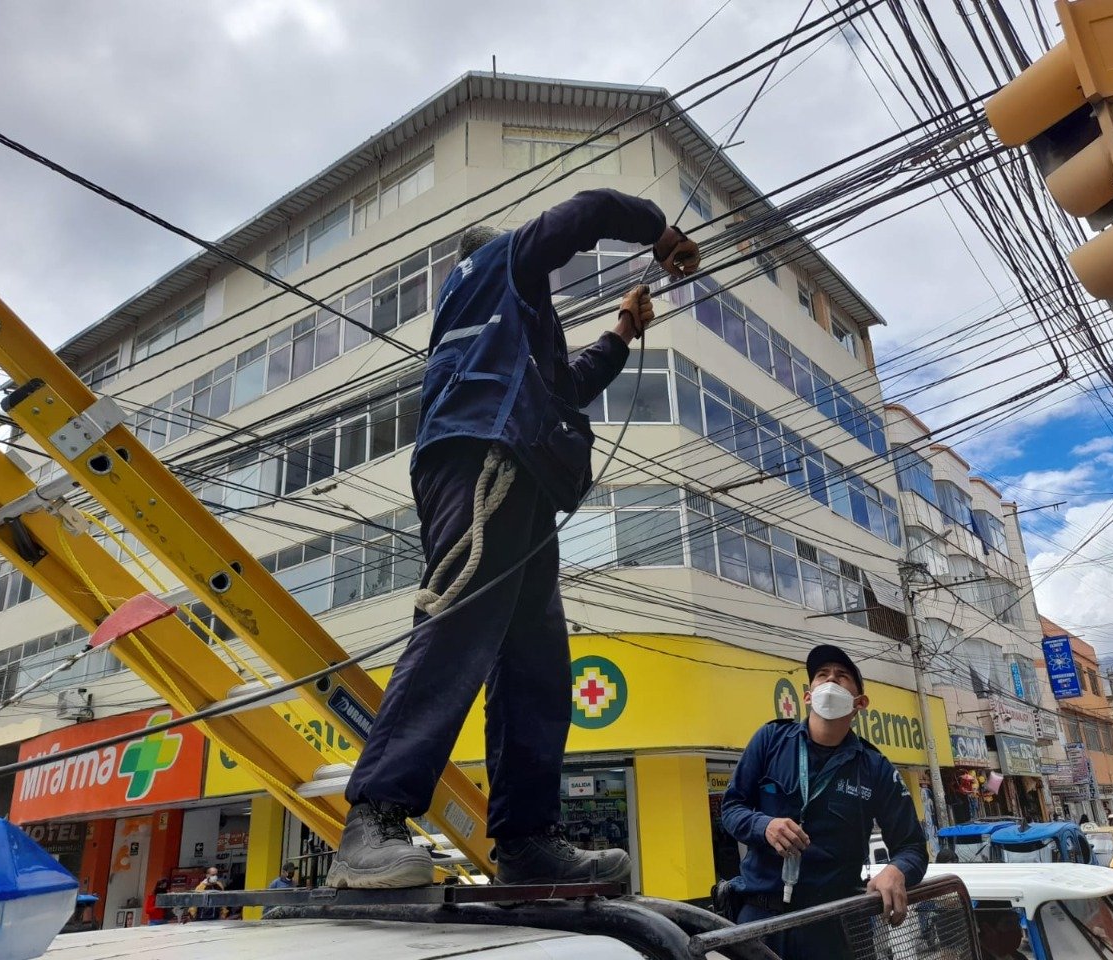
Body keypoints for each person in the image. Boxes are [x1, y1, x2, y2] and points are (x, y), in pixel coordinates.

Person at [329, 189, 700, 889]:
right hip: (484, 458)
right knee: (459, 622)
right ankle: (373, 821)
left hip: (516, 466)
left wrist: (621, 332)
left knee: (536, 663)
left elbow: (564, 388)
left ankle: (526, 843)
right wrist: (659, 230)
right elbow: (586, 211)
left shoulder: (508, 338)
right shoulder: (494, 269)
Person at [720, 644, 929, 960]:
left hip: (833, 927)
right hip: (760, 924)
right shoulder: (770, 741)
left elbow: (912, 847)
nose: (831, 681)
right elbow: (731, 808)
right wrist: (764, 826)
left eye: (842, 676)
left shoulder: (876, 769)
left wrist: (896, 871)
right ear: (807, 695)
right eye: (822, 675)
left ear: (860, 703)